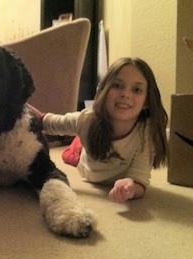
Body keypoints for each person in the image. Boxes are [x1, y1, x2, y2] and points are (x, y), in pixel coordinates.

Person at [30, 57, 168, 202]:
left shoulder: (146, 132)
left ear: (147, 101)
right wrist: (20, 103)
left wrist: (130, 187)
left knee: (77, 145)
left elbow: (140, 179)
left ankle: (77, 142)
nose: (126, 94)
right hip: (86, 163)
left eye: (136, 90)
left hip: (95, 150)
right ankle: (77, 143)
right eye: (117, 85)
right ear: (104, 90)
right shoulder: (87, 119)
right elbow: (45, 121)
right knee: (69, 155)